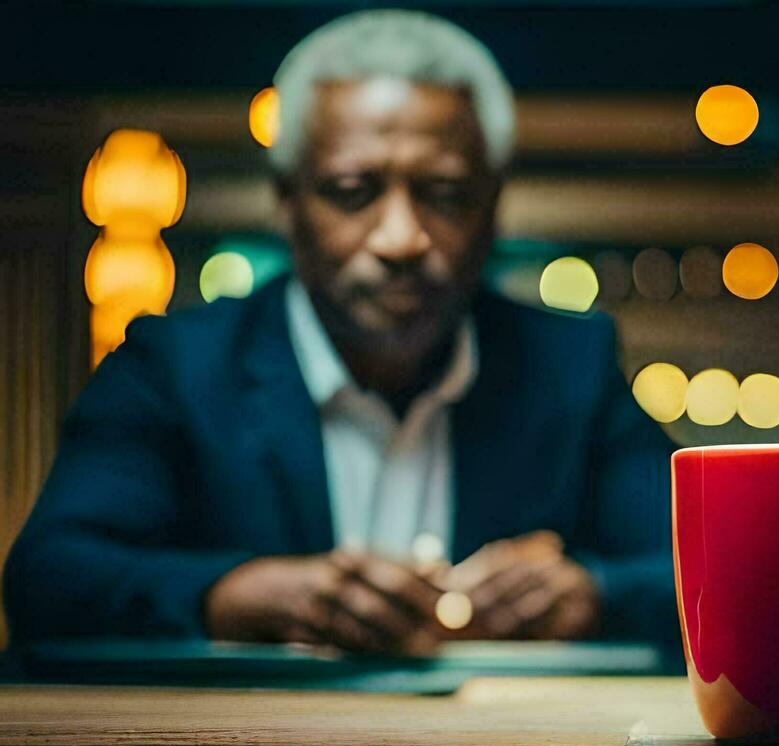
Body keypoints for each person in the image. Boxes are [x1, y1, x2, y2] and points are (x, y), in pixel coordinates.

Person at [2, 10, 679, 657]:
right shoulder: (174, 368)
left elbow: (701, 574)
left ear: (492, 204)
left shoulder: (570, 369)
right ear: (288, 201)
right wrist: (237, 595)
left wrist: (593, 593)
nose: (401, 238)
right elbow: (49, 578)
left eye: (444, 194)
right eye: (354, 190)